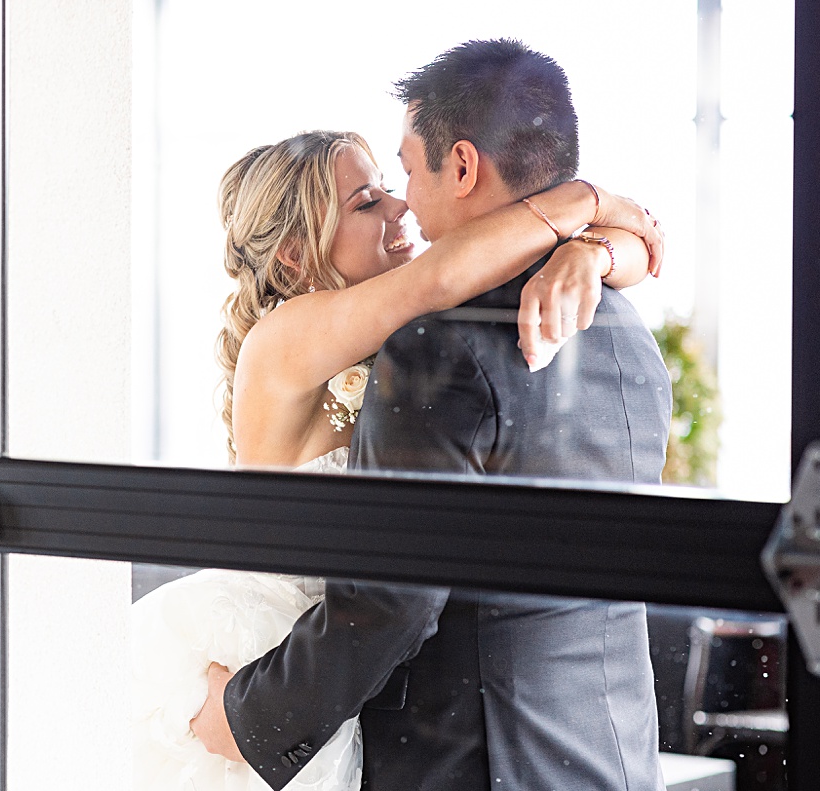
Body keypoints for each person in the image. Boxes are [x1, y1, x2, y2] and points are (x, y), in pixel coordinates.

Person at [194, 40, 672, 791]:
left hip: (467, 758)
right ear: (293, 255)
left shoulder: (438, 345)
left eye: (402, 175)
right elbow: (448, 273)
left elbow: (394, 603)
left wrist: (595, 239)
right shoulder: (621, 329)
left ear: (461, 166)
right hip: (607, 747)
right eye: (368, 199)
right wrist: (596, 227)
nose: (401, 202)